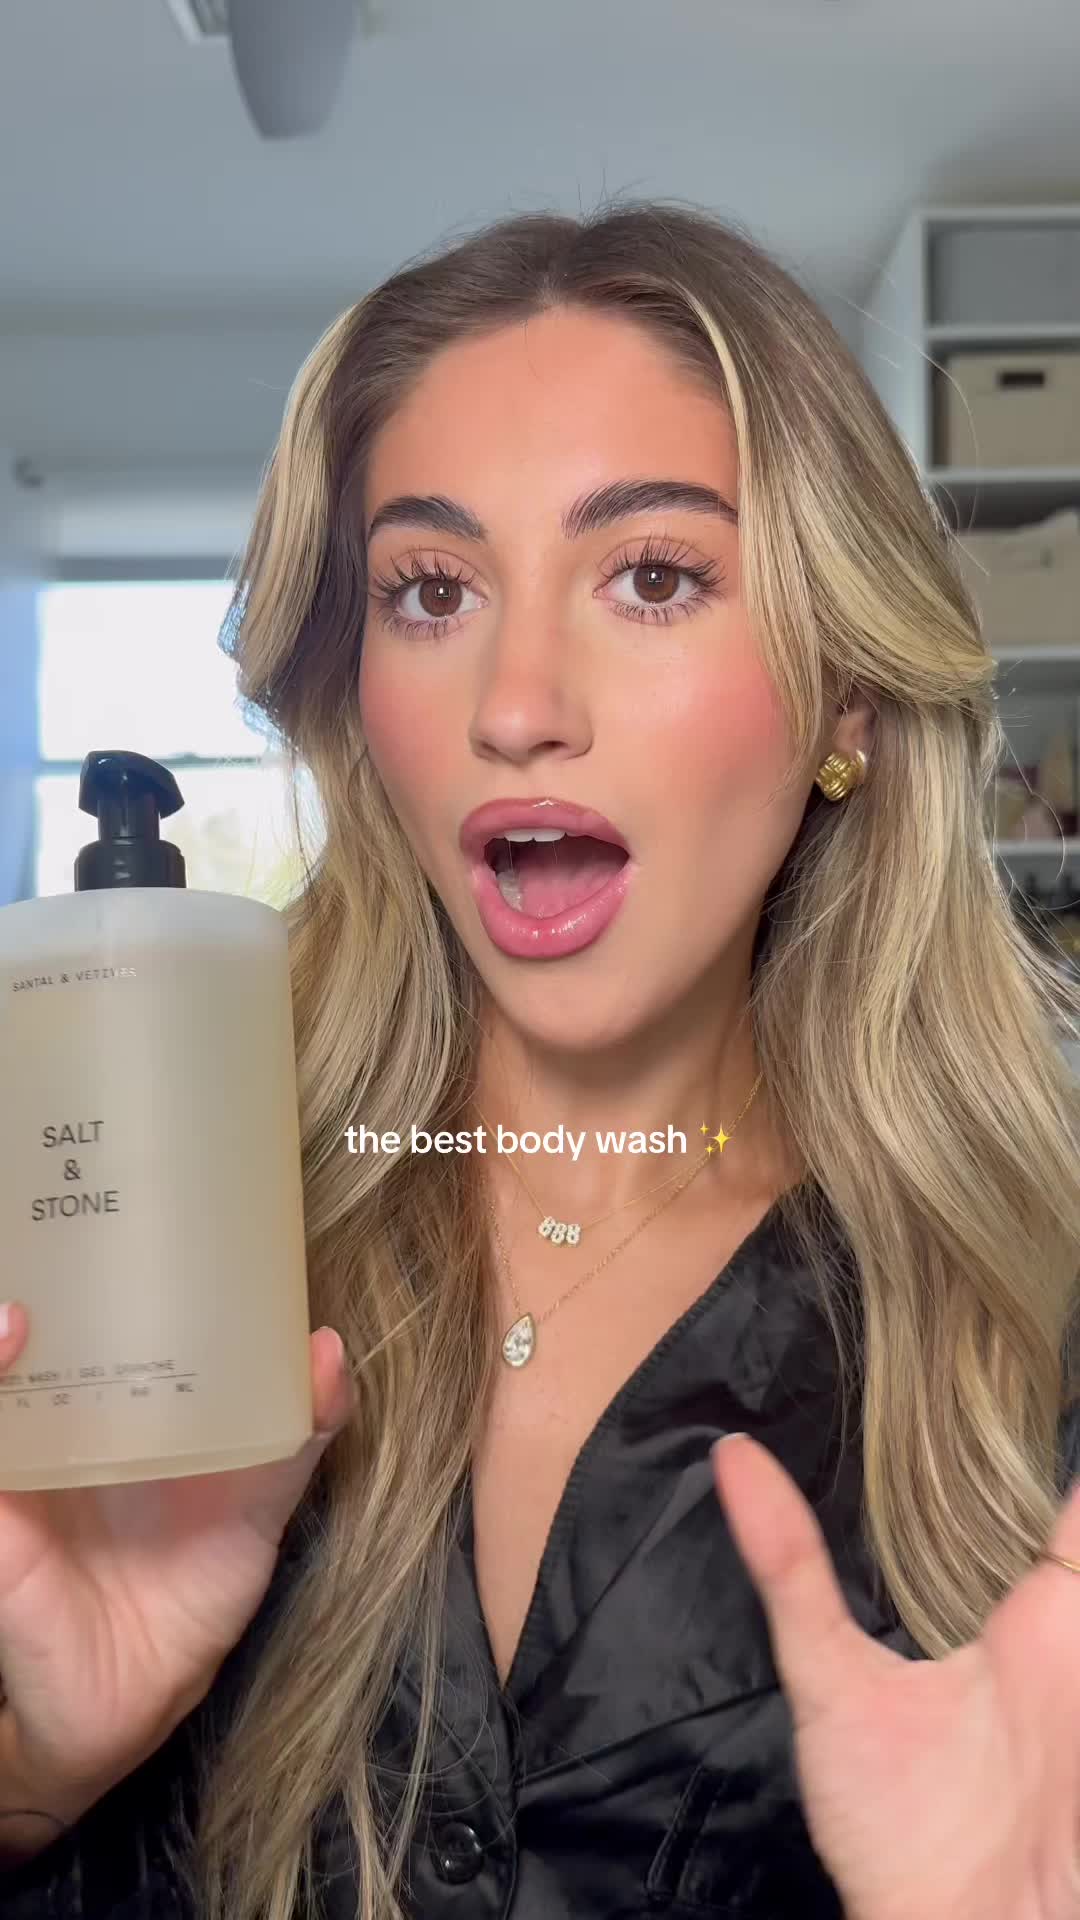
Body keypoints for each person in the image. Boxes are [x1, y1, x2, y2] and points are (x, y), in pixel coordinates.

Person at [1, 195, 1080, 1920]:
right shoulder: (144, 1269)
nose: (515, 705)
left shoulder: (1029, 1319)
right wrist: (36, 1783)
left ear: (848, 697)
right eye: (431, 592)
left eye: (653, 576)